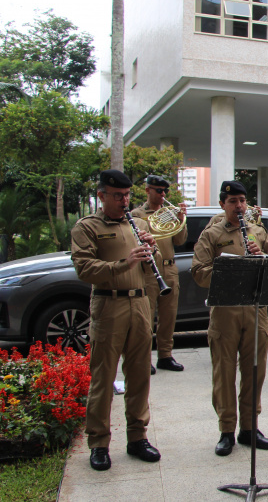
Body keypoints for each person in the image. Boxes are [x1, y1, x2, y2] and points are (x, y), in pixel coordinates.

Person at [71, 169, 162, 471]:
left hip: (139, 304)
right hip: (108, 305)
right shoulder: (88, 227)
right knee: (104, 377)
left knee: (139, 376)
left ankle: (137, 437)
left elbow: (150, 267)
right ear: (102, 195)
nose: (124, 201)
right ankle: (98, 442)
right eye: (117, 196)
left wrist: (153, 251)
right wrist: (126, 262)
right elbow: (85, 269)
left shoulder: (136, 223)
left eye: (126, 195)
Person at [191, 181, 268, 457]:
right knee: (224, 373)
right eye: (233, 201)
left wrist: (262, 256)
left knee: (255, 371)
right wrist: (228, 267)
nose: (239, 206)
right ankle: (226, 430)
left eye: (242, 200)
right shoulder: (211, 235)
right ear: (222, 204)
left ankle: (249, 428)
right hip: (225, 311)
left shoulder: (258, 231)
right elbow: (198, 272)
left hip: (255, 310)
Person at [130, 175, 187, 374]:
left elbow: (180, 240)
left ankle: (165, 355)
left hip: (170, 268)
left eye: (164, 191)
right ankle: (144, 358)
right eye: (158, 191)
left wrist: (180, 219)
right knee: (146, 318)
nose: (162, 195)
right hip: (149, 268)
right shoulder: (137, 214)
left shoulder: (169, 213)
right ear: (147, 190)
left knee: (168, 316)